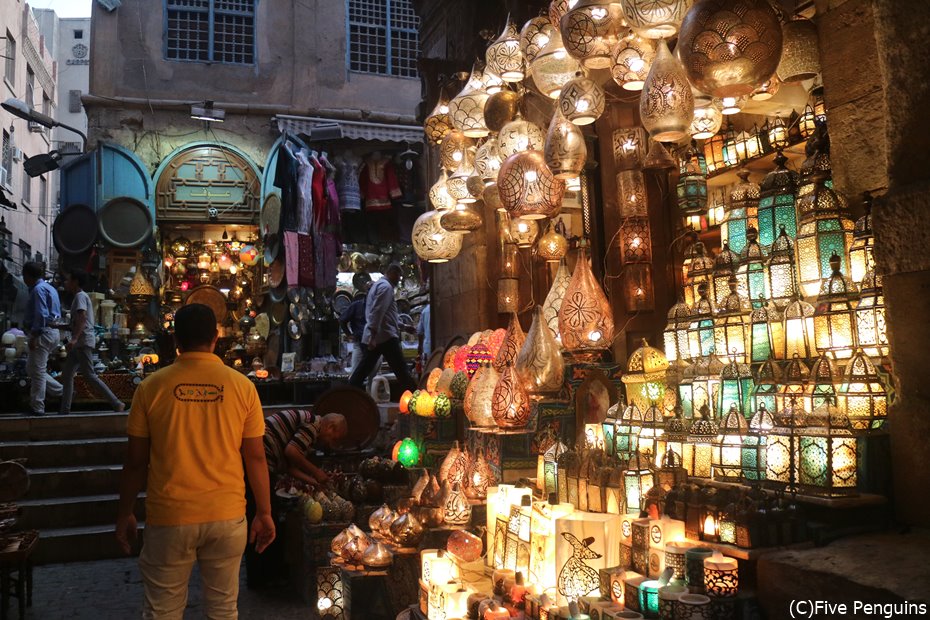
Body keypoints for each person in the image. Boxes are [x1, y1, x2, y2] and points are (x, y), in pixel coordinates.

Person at [116, 304, 275, 619]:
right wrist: (265, 512)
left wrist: (125, 513)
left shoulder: (151, 388)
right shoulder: (243, 387)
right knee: (223, 610)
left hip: (170, 517)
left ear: (176, 339)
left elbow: (135, 463)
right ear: (216, 338)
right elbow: (255, 456)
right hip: (226, 516)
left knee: (162, 612)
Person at [59, 268, 124, 415]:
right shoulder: (78, 297)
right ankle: (64, 409)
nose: (66, 282)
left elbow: (82, 319)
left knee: (90, 376)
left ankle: (116, 403)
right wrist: (56, 325)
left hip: (82, 343)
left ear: (75, 282)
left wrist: (74, 339)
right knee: (67, 374)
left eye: (68, 280)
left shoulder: (80, 296)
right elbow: (75, 323)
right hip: (79, 344)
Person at [348, 264, 417, 392]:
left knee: (362, 370)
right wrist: (372, 334)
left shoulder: (380, 286)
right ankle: (416, 399)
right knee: (402, 371)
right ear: (392, 273)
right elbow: (377, 311)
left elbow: (387, 314)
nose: (399, 280)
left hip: (380, 335)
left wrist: (403, 326)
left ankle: (349, 392)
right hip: (385, 336)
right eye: (399, 276)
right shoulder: (386, 287)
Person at [263, 410, 348, 485]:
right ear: (330, 427)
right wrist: (316, 472)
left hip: (265, 457)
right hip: (263, 452)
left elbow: (289, 468)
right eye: (333, 439)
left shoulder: (311, 435)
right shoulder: (313, 425)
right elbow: (291, 452)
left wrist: (314, 482)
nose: (330, 444)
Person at [22, 261, 63, 415]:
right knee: (32, 369)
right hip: (51, 333)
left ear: (27, 276)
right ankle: (62, 392)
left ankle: (37, 407)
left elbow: (41, 315)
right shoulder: (49, 288)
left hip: (43, 333)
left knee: (37, 372)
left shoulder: (38, 290)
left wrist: (33, 335)